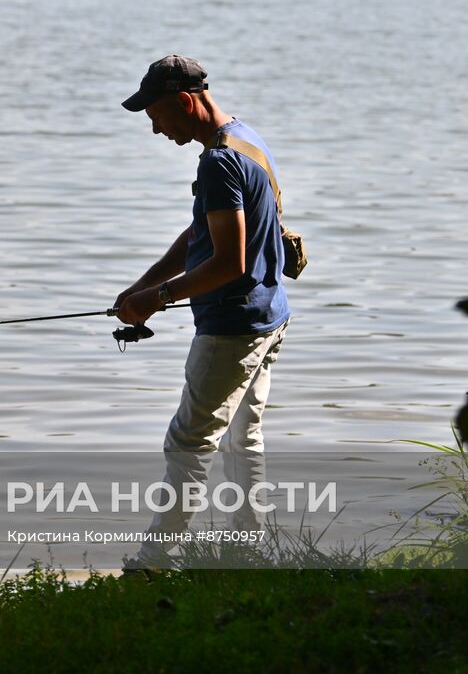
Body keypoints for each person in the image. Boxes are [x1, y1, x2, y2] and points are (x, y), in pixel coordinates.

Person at [114, 54, 291, 567]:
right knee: (244, 434)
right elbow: (201, 234)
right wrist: (144, 284)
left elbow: (230, 262)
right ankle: (249, 548)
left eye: (156, 116)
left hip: (232, 327)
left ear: (185, 102)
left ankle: (153, 563)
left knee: (188, 443)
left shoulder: (217, 162)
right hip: (270, 315)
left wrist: (160, 297)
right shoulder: (245, 138)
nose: (154, 129)